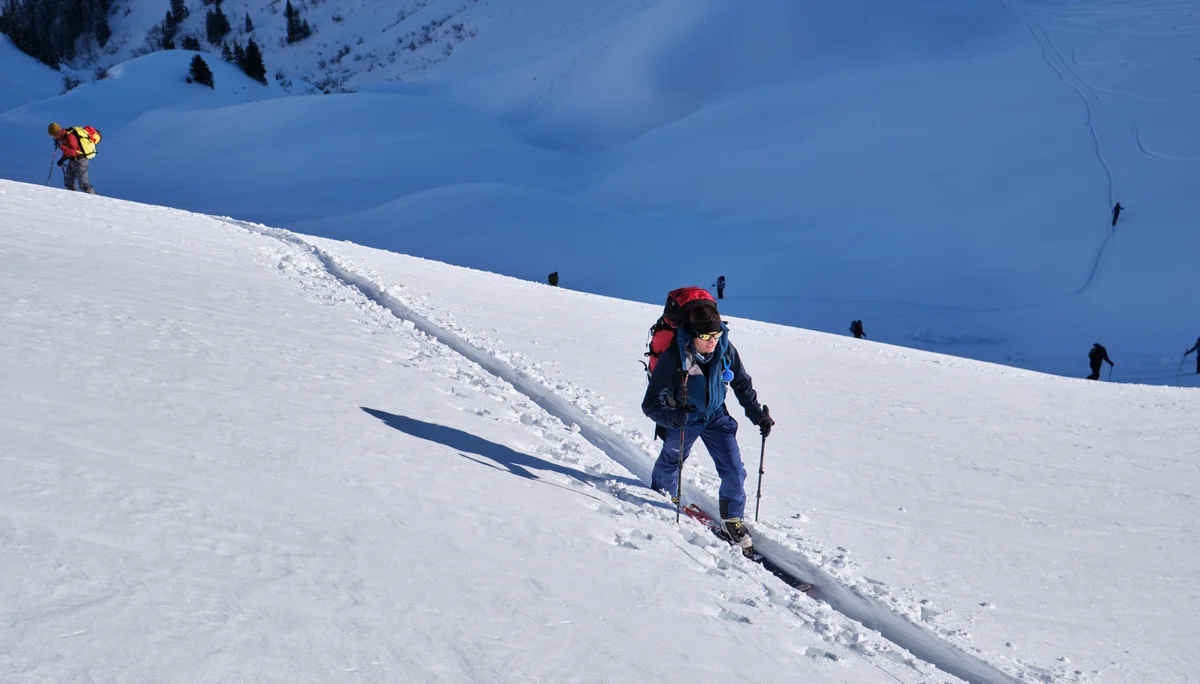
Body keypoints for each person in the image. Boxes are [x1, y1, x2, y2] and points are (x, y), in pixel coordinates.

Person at [642, 301, 774, 552]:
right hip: (684, 418)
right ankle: (661, 498)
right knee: (672, 461)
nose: (712, 341)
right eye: (705, 336)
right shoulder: (674, 356)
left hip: (716, 416)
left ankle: (732, 520)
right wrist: (672, 417)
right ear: (693, 333)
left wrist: (758, 415)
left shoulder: (725, 349)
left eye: (716, 334)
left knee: (734, 470)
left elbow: (742, 384)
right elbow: (650, 403)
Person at [48, 122, 99, 195]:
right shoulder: (63, 137)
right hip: (72, 161)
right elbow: (68, 151)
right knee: (68, 182)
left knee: (84, 185)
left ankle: (95, 199)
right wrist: (62, 159)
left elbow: (73, 152)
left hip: (81, 162)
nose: (53, 137)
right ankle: (73, 198)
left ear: (55, 133)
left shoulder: (69, 136)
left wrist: (60, 146)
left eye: (52, 135)